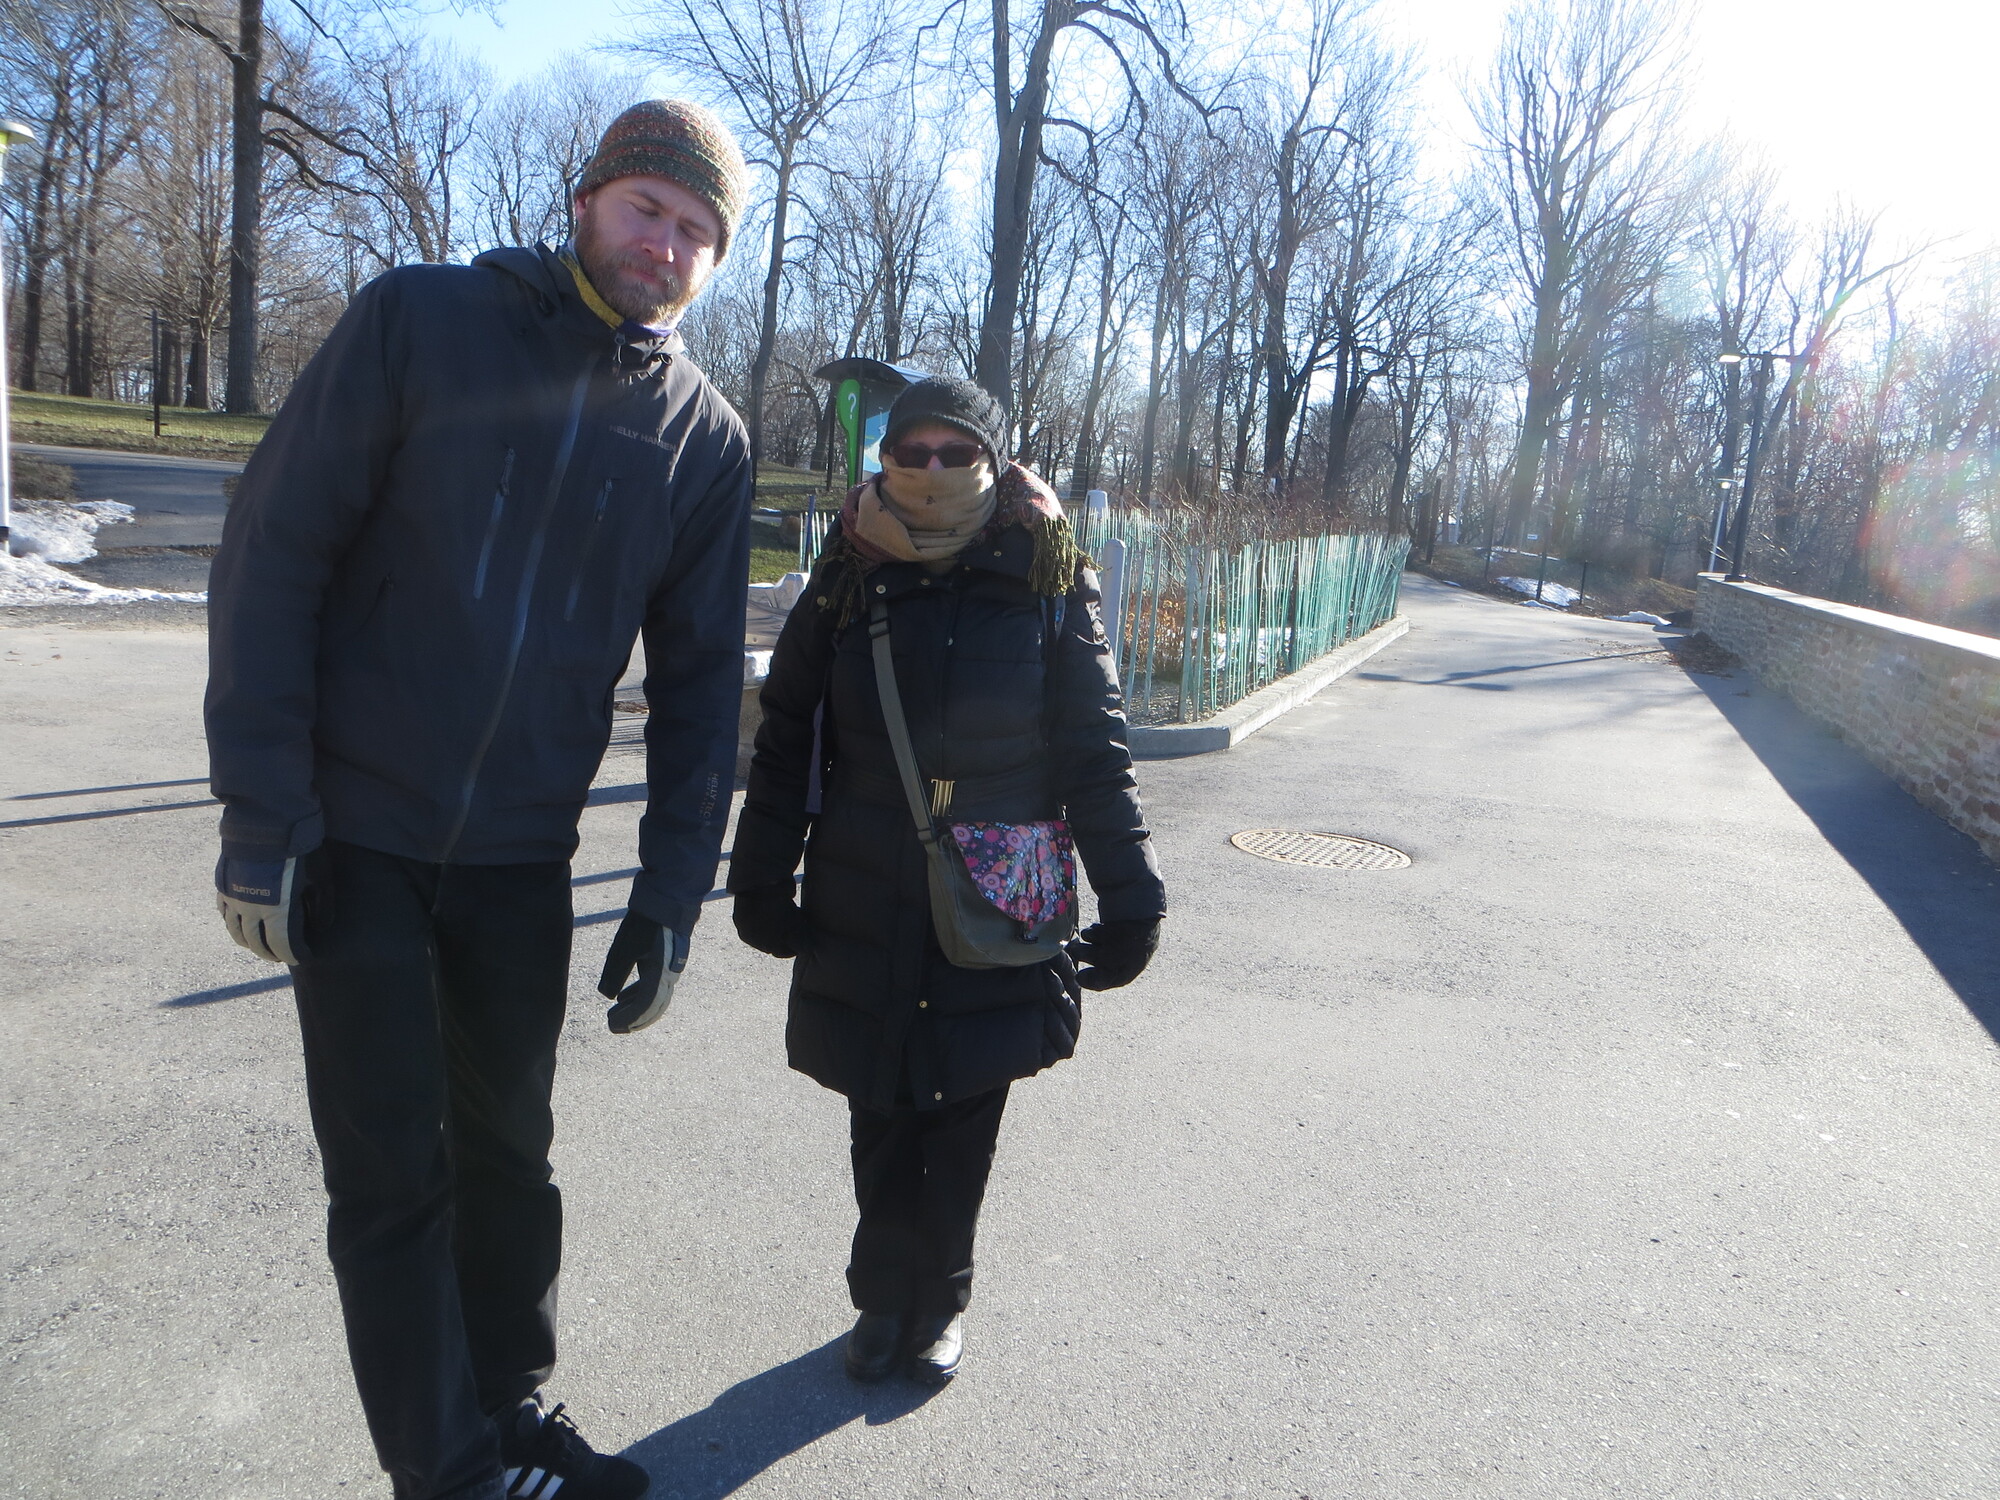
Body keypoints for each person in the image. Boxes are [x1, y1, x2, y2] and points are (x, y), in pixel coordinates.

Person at [204, 100, 752, 1500]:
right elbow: (272, 556)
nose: (666, 243)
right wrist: (262, 816)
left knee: (511, 1158)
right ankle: (445, 1476)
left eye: (696, 231)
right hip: (356, 834)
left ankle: (506, 1413)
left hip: (517, 860)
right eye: (647, 207)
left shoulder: (702, 438)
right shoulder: (423, 322)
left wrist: (670, 896)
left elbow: (700, 694)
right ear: (588, 200)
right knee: (393, 1174)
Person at [728, 376, 1166, 1385]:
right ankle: (882, 1298)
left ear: (992, 462)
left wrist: (1133, 894)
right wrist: (760, 876)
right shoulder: (849, 566)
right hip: (861, 879)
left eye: (954, 452)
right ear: (885, 458)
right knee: (879, 1103)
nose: (930, 470)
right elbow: (787, 734)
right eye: (911, 452)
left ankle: (940, 1301)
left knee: (965, 1106)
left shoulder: (1044, 569)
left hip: (996, 889)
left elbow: (1095, 748)